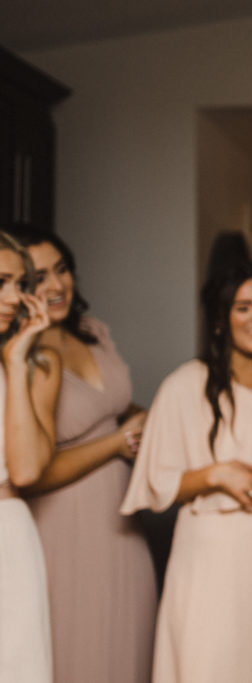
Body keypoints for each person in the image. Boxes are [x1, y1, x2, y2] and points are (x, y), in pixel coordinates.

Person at [121, 260, 252, 683]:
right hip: (213, 558)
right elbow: (155, 484)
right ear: (221, 320)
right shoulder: (186, 383)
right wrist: (216, 475)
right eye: (243, 308)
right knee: (213, 660)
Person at [10, 227, 157, 683]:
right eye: (37, 278)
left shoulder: (93, 333)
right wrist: (118, 443)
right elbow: (31, 471)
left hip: (123, 526)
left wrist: (154, 417)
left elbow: (110, 407)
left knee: (125, 651)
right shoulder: (31, 358)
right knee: (77, 655)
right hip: (63, 527)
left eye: (62, 269)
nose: (55, 286)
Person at [0, 231, 60, 682]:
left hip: (10, 538)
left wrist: (16, 359)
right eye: (1, 282)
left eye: (19, 284)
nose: (12, 297)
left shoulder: (21, 366)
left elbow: (25, 469)